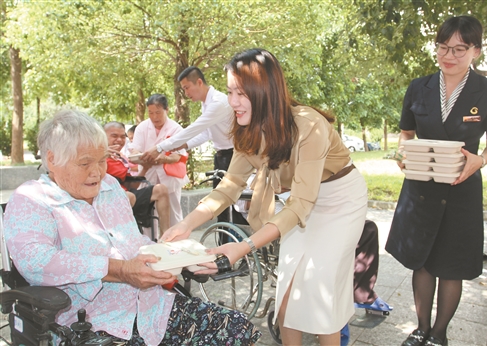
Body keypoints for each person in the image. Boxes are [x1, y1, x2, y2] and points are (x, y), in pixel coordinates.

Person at [160, 48, 368, 345]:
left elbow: (300, 205)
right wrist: (187, 224)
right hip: (298, 204)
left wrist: (242, 247)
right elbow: (228, 187)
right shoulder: (246, 131)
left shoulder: (308, 125)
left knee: (321, 294)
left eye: (240, 93)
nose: (232, 102)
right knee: (287, 298)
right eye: (230, 92)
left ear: (264, 91)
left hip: (340, 201)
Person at [3, 110, 261, 346]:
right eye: (85, 163)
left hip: (152, 309)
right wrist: (119, 270)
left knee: (238, 329)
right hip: (91, 323)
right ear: (52, 159)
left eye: (102, 160)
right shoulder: (32, 200)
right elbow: (36, 261)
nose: (97, 172)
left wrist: (184, 255)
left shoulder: (110, 188)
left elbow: (132, 242)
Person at [385, 16, 487, 346]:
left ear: (476, 51)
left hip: (461, 189)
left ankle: (439, 335)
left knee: (451, 266)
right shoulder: (418, 87)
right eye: (442, 47)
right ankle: (421, 328)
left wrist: (480, 160)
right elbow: (406, 132)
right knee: (422, 262)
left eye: (459, 49)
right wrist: (401, 153)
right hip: (421, 187)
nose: (448, 55)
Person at [140, 67, 236, 222]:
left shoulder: (218, 102)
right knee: (221, 206)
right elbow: (207, 134)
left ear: (199, 82)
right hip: (222, 157)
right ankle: (224, 242)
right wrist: (183, 145)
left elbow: (194, 129)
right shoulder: (207, 104)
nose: (186, 93)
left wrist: (159, 147)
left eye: (186, 88)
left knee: (231, 206)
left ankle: (234, 243)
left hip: (233, 156)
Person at [131, 94, 189, 226]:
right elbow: (135, 150)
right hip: (148, 174)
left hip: (169, 177)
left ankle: (175, 241)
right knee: (148, 214)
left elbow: (179, 155)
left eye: (158, 112)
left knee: (173, 212)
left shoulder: (175, 128)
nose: (154, 117)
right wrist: (139, 156)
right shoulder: (142, 127)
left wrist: (165, 159)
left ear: (166, 110)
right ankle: (151, 242)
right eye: (151, 113)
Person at [104, 121, 170, 236]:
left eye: (122, 136)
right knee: (128, 196)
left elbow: (132, 184)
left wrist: (145, 168)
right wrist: (101, 155)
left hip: (127, 195)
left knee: (161, 189)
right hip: (106, 198)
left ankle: (166, 237)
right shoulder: (96, 157)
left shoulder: (121, 158)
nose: (119, 140)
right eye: (114, 136)